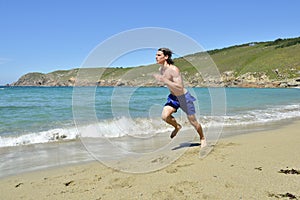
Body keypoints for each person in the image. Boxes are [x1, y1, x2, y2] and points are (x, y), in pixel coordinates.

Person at [153, 47, 207, 148]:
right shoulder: (161, 69)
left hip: (184, 97)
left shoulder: (174, 69)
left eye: (159, 55)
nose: (156, 57)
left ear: (166, 57)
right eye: (156, 55)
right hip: (173, 98)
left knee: (193, 122)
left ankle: (202, 138)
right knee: (165, 116)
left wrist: (164, 80)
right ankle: (177, 127)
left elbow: (179, 87)